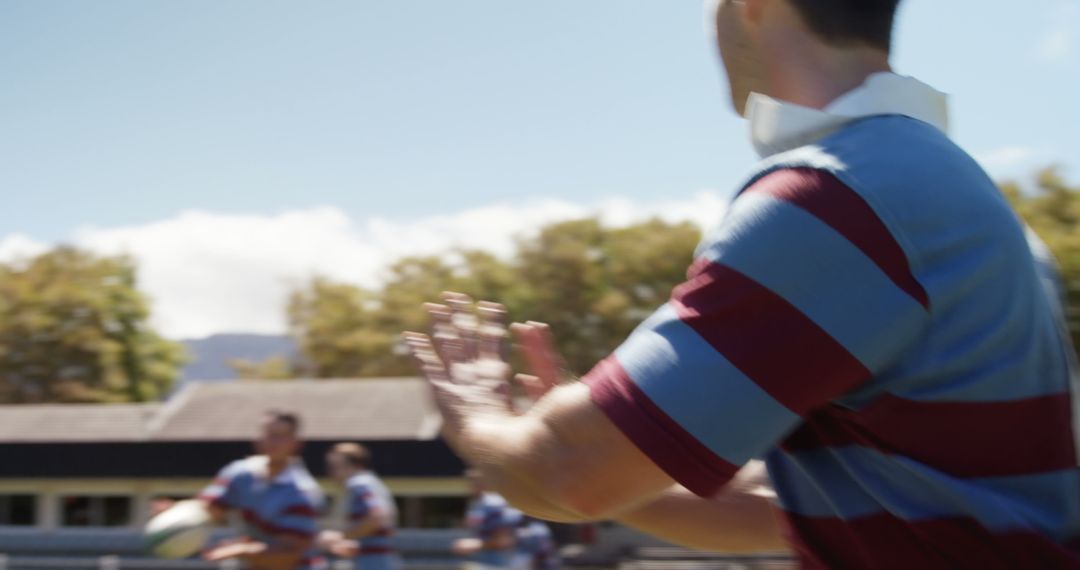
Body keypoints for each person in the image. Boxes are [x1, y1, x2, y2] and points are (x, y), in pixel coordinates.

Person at [403, 0, 1080, 567]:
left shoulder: (839, 198)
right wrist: (632, 437)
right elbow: (779, 509)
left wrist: (480, 415)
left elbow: (567, 477)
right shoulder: (955, 197)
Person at [198, 410, 326, 570]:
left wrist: (242, 550)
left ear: (297, 443)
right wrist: (176, 514)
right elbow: (208, 509)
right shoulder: (239, 473)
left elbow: (287, 556)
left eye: (281, 436)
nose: (273, 441)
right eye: (268, 434)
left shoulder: (303, 492)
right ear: (257, 438)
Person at [319, 442, 403, 570]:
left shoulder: (359, 484)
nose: (330, 471)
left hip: (372, 560)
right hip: (378, 558)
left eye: (336, 466)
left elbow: (376, 516)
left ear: (356, 465)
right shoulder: (369, 483)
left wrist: (340, 537)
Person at [453, 469, 524, 570]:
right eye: (472, 480)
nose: (474, 484)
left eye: (478, 480)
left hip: (496, 563)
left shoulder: (494, 504)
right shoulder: (477, 503)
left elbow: (505, 540)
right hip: (478, 561)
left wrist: (476, 544)